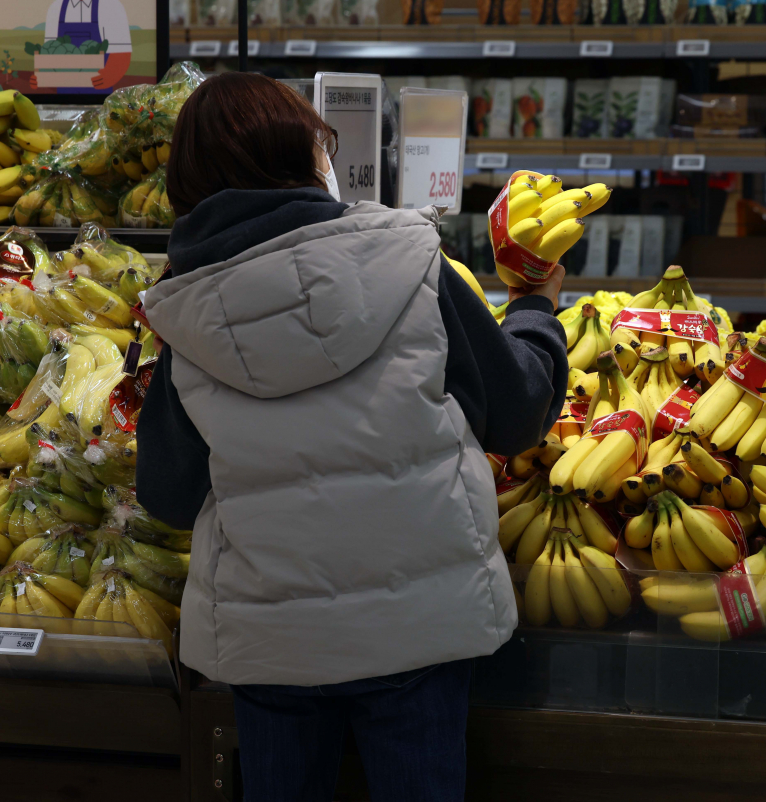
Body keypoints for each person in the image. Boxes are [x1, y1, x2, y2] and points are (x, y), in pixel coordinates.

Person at [135, 72, 568, 802]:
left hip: (271, 642)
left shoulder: (184, 318)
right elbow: (517, 411)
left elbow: (169, 496)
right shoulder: (410, 262)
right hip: (417, 628)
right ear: (307, 156)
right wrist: (533, 312)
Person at [34, 0, 133, 91]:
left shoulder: (111, 6)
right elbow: (50, 52)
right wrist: (42, 76)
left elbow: (122, 53)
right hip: (64, 92)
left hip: (99, 90)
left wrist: (109, 76)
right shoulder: (56, 8)